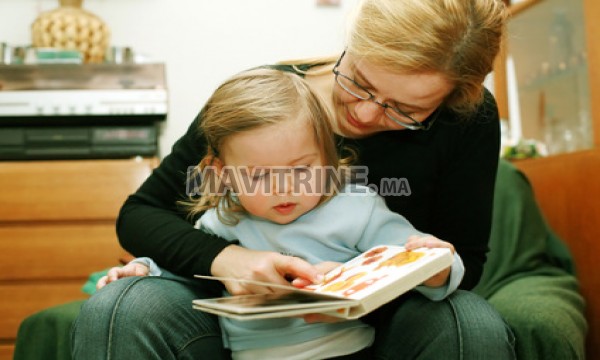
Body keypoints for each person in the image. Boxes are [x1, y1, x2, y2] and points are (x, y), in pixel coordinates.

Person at [72, 0, 515, 359]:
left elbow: (458, 261)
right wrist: (229, 261)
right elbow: (143, 216)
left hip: (373, 327)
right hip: (242, 326)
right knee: (120, 306)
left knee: (469, 323)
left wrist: (355, 293)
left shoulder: (462, 125)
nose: (363, 114)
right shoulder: (263, 104)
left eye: (405, 111)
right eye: (358, 81)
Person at [96, 68, 464, 359]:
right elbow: (182, 270)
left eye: (302, 170)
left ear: (328, 160)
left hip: (348, 353)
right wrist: (142, 268)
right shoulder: (223, 219)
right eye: (258, 175)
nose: (283, 188)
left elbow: (416, 262)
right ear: (223, 175)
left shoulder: (357, 206)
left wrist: (435, 268)